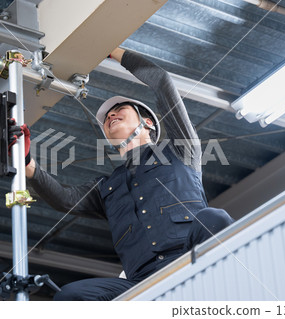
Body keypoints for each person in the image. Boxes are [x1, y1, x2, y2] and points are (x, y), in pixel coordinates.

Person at [16, 47, 234, 300]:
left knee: (213, 218)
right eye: (108, 117)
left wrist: (113, 50)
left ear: (148, 123)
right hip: (142, 283)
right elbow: (64, 198)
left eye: (120, 110)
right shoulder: (107, 188)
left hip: (191, 260)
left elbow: (162, 82)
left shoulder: (180, 151)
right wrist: (27, 163)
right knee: (71, 295)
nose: (111, 115)